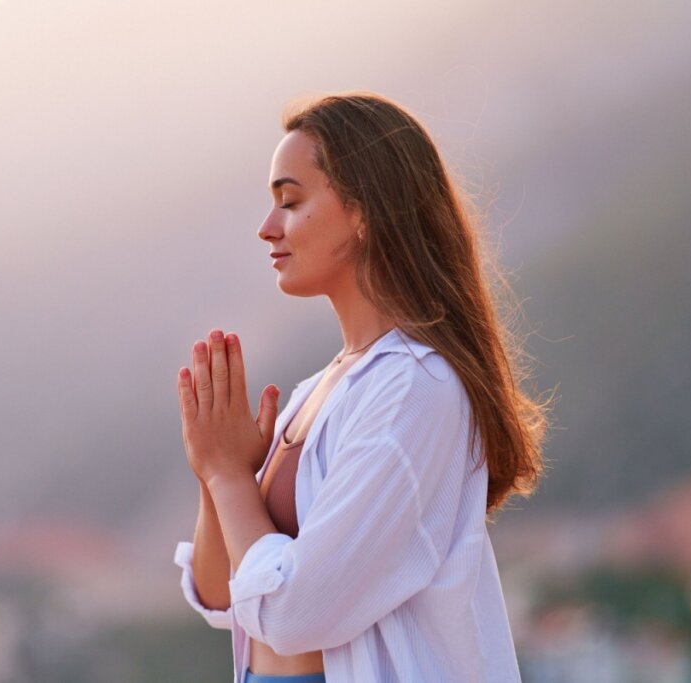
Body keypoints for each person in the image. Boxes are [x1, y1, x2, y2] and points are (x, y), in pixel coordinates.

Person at [173, 91, 553, 683]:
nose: (267, 227)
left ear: (364, 211)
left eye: (290, 201)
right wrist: (219, 474)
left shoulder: (414, 389)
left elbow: (295, 612)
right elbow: (224, 595)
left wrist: (227, 475)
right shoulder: (322, 388)